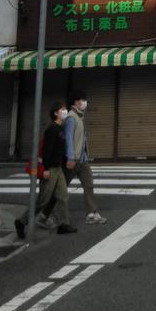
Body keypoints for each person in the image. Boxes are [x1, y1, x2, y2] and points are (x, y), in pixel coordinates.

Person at [15, 102, 77, 238]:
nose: (65, 111)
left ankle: (63, 225)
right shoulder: (52, 129)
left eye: (65, 109)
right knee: (43, 201)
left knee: (63, 196)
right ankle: (21, 222)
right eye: (62, 109)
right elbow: (46, 151)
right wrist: (46, 169)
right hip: (50, 169)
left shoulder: (61, 128)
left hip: (58, 168)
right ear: (56, 113)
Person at [65, 90, 107, 224]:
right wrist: (70, 158)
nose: (84, 102)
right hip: (74, 160)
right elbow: (68, 139)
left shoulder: (80, 116)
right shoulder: (71, 117)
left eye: (84, 100)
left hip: (82, 160)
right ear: (75, 102)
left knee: (88, 185)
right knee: (60, 188)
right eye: (82, 100)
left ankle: (92, 213)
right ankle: (45, 214)